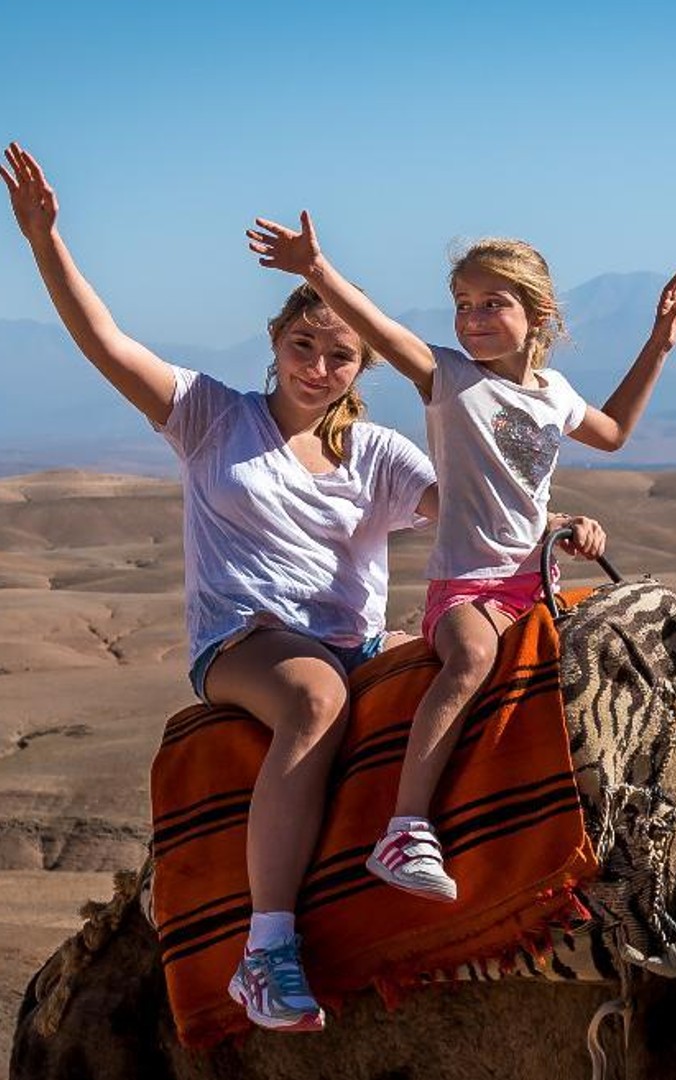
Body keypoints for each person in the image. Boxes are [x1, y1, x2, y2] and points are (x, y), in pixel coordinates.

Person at [1, 143, 441, 1034]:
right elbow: (107, 343)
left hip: (357, 637)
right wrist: (47, 244)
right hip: (246, 638)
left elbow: (468, 510)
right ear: (274, 347)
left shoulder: (381, 455)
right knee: (315, 697)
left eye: (341, 355)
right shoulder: (211, 416)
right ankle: (265, 950)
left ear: (366, 368)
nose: (319, 366)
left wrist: (554, 526)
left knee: (463, 671)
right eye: (302, 346)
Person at [246, 210, 676, 905]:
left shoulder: (555, 394)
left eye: (492, 304)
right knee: (472, 659)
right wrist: (315, 272)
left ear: (538, 313)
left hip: (533, 580)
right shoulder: (449, 379)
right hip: (466, 589)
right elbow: (382, 328)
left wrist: (659, 345)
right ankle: (406, 828)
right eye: (462, 305)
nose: (474, 318)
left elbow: (613, 433)